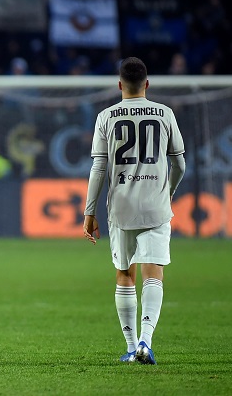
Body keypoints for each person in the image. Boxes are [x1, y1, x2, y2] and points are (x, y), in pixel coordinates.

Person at [83, 57, 185, 365]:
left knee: (125, 273)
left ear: (119, 85)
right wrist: (168, 192)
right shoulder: (165, 114)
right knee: (153, 272)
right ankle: (145, 341)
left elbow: (99, 166)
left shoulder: (106, 116)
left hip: (122, 207)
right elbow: (179, 163)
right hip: (156, 205)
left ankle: (130, 347)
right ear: (147, 84)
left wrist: (89, 211)